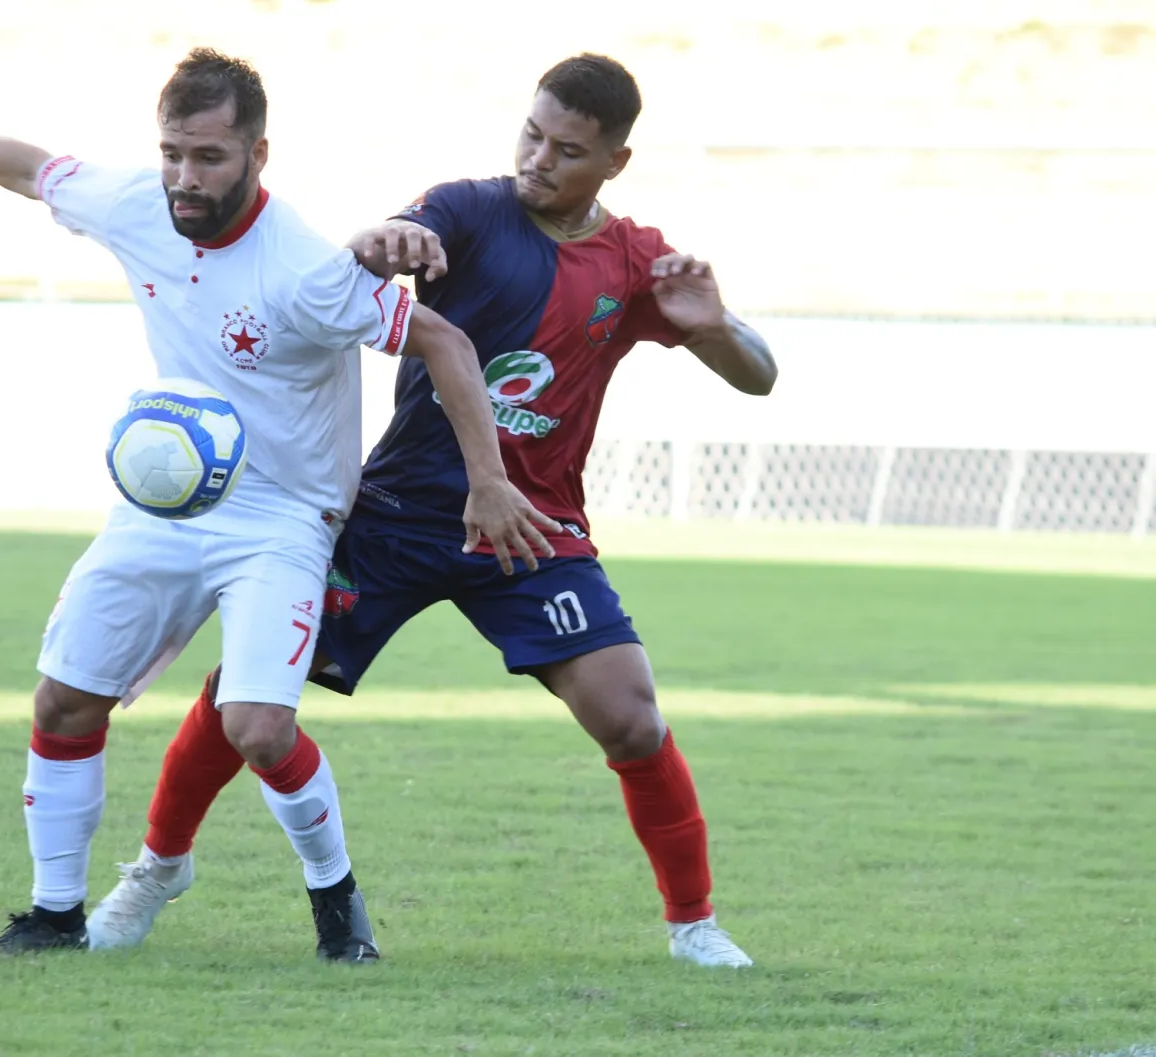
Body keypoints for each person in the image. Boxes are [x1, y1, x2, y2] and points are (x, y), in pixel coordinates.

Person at [0, 47, 558, 961]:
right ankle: (54, 914)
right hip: (166, 503)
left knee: (259, 728)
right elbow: (33, 168)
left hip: (283, 518)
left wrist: (489, 482)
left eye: (209, 157)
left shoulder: (306, 269)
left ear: (258, 155)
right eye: (173, 152)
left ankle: (337, 903)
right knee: (64, 700)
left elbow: (449, 346)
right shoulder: (136, 205)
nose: (185, 176)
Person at [88, 53, 776, 969]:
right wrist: (386, 236)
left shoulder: (635, 258)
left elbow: (760, 376)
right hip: (398, 514)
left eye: (567, 150)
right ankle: (154, 869)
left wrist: (716, 324)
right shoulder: (469, 208)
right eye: (532, 134)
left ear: (616, 161)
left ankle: (695, 925)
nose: (538, 159)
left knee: (633, 718)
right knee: (247, 694)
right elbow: (379, 248)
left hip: (532, 529)